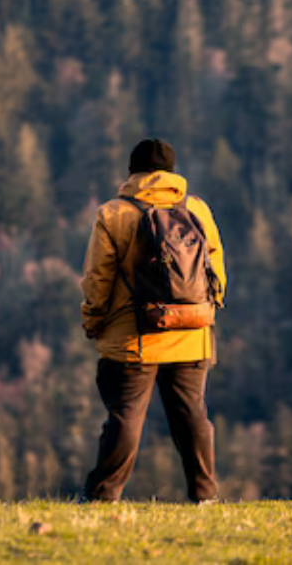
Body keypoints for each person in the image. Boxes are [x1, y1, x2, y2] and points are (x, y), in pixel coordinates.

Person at [79, 138, 227, 503]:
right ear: (171, 173)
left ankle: (103, 495)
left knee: (126, 416)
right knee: (192, 413)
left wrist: (92, 319)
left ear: (133, 172)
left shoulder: (114, 213)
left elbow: (99, 277)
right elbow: (216, 268)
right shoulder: (197, 208)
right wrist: (209, 310)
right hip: (193, 330)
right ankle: (205, 495)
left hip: (135, 336)